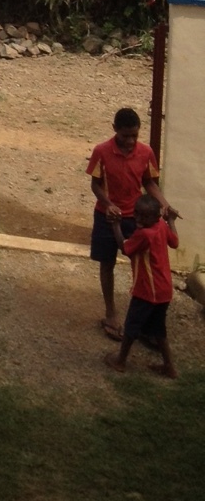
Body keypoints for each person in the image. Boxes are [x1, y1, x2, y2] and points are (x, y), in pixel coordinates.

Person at [87, 107, 166, 340]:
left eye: (135, 136)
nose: (131, 141)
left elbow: (149, 183)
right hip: (106, 216)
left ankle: (142, 315)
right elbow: (95, 185)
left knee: (143, 265)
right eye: (125, 136)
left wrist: (164, 203)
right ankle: (111, 312)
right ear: (115, 130)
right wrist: (108, 204)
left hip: (137, 217)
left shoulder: (146, 152)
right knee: (107, 262)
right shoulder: (101, 151)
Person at [105, 192, 180, 378]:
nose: (138, 218)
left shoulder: (144, 234)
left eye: (144, 216)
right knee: (158, 329)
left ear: (155, 216)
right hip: (164, 290)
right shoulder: (160, 226)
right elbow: (175, 242)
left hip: (147, 291)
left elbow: (125, 248)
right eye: (137, 213)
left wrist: (115, 225)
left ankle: (120, 360)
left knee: (131, 326)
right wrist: (170, 220)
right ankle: (169, 366)